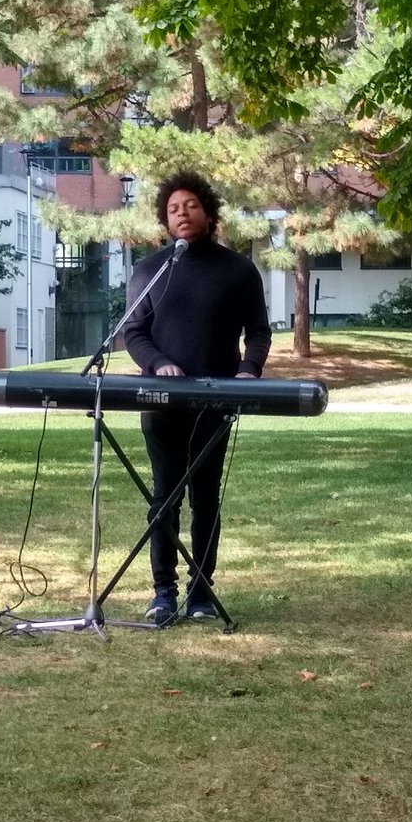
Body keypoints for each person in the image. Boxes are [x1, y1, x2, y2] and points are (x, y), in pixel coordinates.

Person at [123, 171, 271, 625]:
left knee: (206, 498)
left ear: (207, 212)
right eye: (172, 209)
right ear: (165, 221)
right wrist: (157, 363)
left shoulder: (238, 270)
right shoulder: (151, 270)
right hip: (162, 404)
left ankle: (201, 592)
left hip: (216, 402)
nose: (181, 213)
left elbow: (259, 332)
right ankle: (163, 593)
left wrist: (247, 371)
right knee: (166, 498)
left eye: (189, 205)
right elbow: (132, 331)